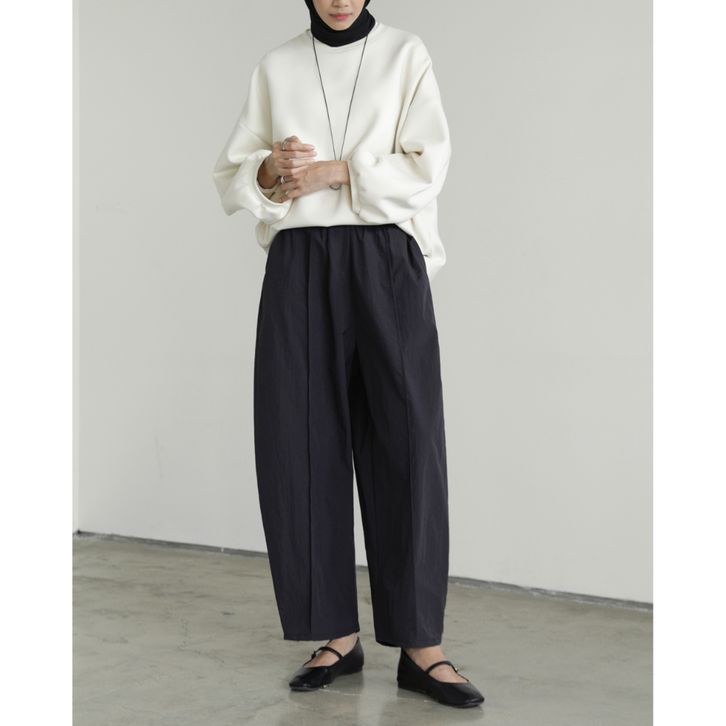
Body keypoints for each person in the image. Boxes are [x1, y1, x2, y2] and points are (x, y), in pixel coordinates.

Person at [212, 0, 484, 708]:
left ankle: (422, 646)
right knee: (299, 444)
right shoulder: (277, 66)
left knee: (408, 444)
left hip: (386, 257)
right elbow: (234, 173)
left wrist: (337, 172)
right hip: (300, 262)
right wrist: (269, 171)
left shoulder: (405, 54)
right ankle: (335, 633)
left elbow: (429, 163)